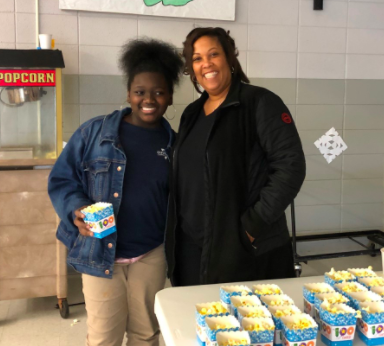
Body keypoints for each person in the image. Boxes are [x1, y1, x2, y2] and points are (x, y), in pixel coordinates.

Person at [48, 39, 183, 346]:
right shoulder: (93, 133)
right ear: (128, 94)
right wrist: (76, 209)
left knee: (145, 334)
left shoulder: (176, 145)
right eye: (140, 92)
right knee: (103, 337)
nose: (148, 99)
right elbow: (62, 180)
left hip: (150, 255)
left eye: (158, 92)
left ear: (170, 97)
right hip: (99, 251)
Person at [165, 27, 306, 287]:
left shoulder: (260, 103)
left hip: (242, 246)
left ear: (230, 58)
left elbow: (291, 167)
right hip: (192, 247)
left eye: (213, 54)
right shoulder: (192, 114)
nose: (206, 64)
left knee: (246, 324)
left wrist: (252, 227)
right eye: (197, 58)